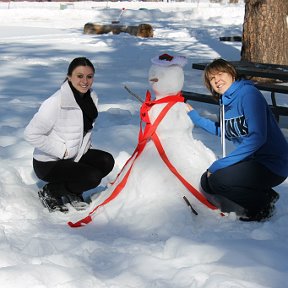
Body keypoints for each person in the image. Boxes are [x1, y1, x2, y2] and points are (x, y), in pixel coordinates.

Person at [187, 58, 288, 222]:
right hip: (255, 161)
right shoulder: (226, 102)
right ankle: (265, 194)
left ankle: (262, 205)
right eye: (212, 79)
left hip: (273, 163)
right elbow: (227, 130)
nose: (217, 80)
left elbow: (257, 138)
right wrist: (196, 119)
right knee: (207, 182)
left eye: (220, 74)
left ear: (232, 74)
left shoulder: (248, 95)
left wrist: (219, 164)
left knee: (218, 180)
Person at [24, 57, 115, 213]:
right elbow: (31, 134)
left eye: (89, 76)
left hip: (74, 156)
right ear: (69, 77)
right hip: (49, 163)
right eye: (79, 76)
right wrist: (62, 151)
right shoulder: (56, 102)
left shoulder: (91, 97)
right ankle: (51, 192)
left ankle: (71, 190)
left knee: (106, 161)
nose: (85, 81)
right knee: (92, 177)